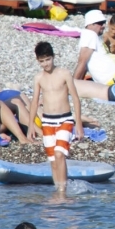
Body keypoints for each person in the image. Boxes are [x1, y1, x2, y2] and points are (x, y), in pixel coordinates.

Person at [30, 41, 83, 191]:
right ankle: (57, 190)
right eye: (42, 61)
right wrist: (30, 127)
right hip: (47, 121)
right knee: (53, 160)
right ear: (38, 61)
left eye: (48, 59)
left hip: (65, 119)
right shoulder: (38, 78)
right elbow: (34, 102)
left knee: (60, 154)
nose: (46, 64)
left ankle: (62, 192)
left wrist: (78, 124)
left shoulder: (64, 73)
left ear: (53, 57)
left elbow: (75, 98)